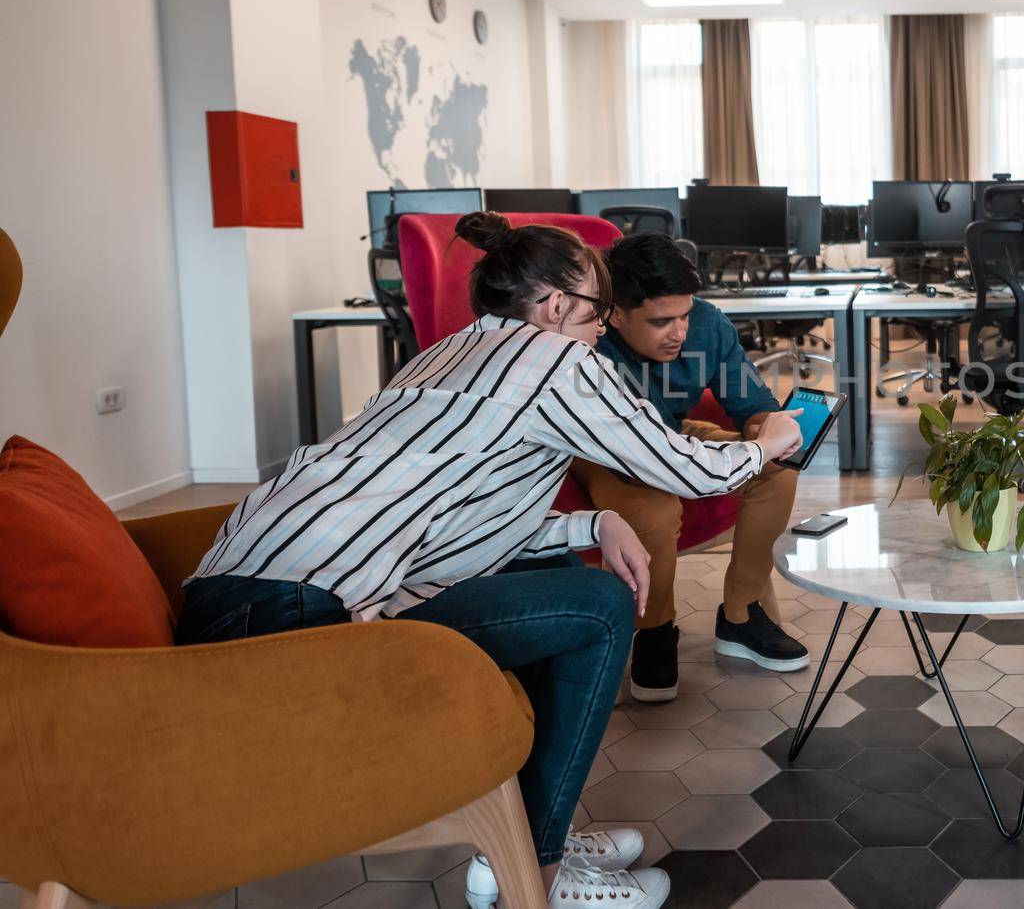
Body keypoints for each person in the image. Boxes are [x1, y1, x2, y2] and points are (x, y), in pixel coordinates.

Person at [177, 213, 802, 909]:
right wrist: (768, 441)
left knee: (553, 585)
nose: (603, 328)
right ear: (557, 305)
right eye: (599, 310)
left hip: (231, 595)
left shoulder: (441, 352)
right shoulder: (557, 359)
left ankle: (521, 834)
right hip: (298, 611)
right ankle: (531, 872)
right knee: (598, 608)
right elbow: (681, 468)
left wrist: (597, 520)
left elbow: (466, 528)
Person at [573, 232, 810, 703]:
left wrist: (769, 429)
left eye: (684, 314)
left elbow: (751, 407)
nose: (680, 332)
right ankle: (654, 629)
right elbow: (635, 452)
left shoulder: (707, 325)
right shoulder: (587, 346)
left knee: (778, 470)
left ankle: (741, 614)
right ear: (614, 314)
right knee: (655, 509)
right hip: (605, 451)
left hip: (674, 435)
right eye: (662, 321)